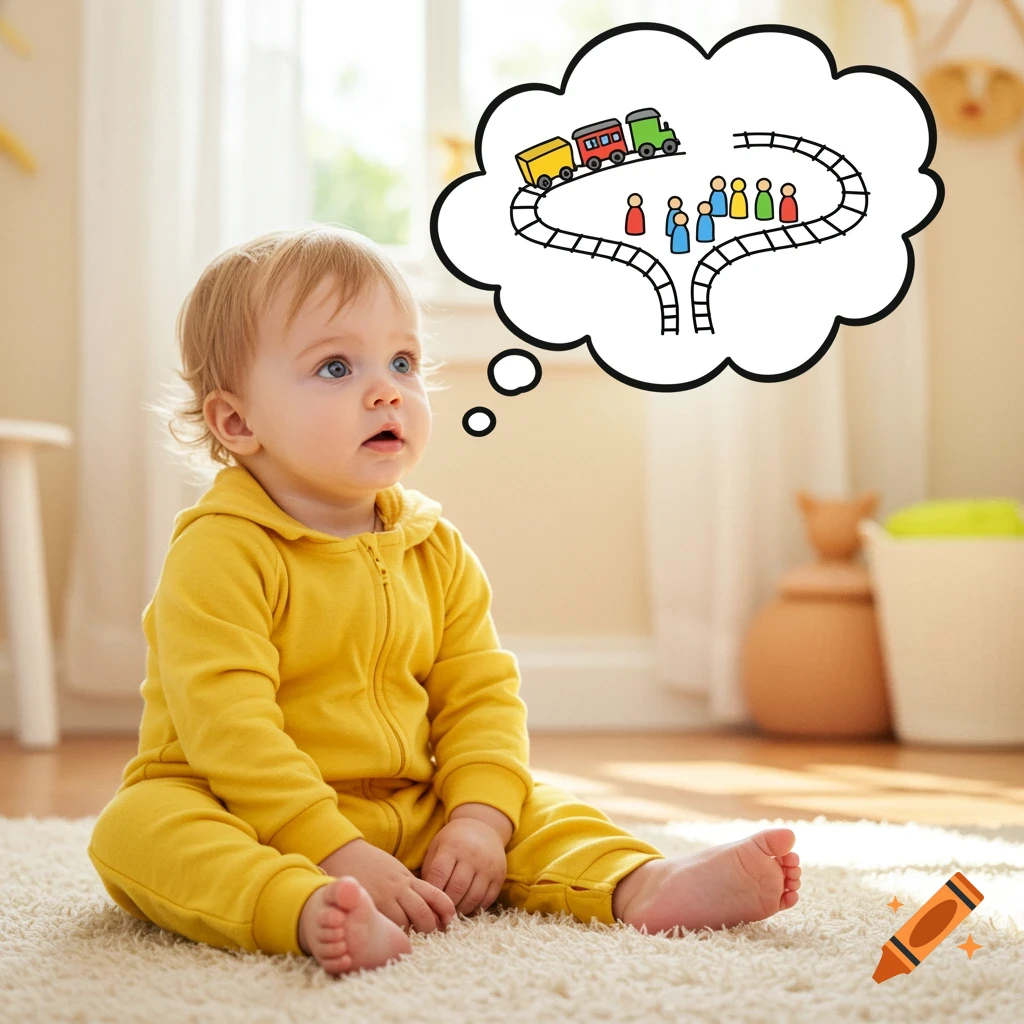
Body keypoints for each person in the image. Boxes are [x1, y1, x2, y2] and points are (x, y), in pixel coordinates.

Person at [87, 226, 801, 976]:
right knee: (138, 832)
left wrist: (479, 819)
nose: (387, 388)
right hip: (239, 804)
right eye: (336, 366)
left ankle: (643, 882)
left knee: (534, 803)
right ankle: (300, 907)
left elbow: (480, 696)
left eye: (403, 361)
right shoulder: (220, 549)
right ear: (237, 422)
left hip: (409, 805)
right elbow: (229, 729)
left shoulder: (434, 546)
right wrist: (333, 851)